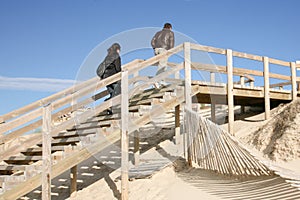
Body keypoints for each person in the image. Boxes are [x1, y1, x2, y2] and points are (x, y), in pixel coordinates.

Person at [98, 43, 121, 114]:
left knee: (112, 94)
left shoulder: (107, 57)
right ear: (117, 49)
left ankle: (109, 108)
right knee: (118, 93)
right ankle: (108, 105)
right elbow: (118, 68)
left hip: (106, 79)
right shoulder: (116, 56)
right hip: (113, 78)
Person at [151, 23, 175, 88]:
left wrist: (155, 47)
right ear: (170, 27)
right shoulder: (170, 33)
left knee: (162, 65)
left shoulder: (158, 33)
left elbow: (152, 41)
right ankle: (155, 80)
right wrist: (170, 51)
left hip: (156, 50)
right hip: (163, 49)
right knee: (162, 65)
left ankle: (162, 81)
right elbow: (171, 43)